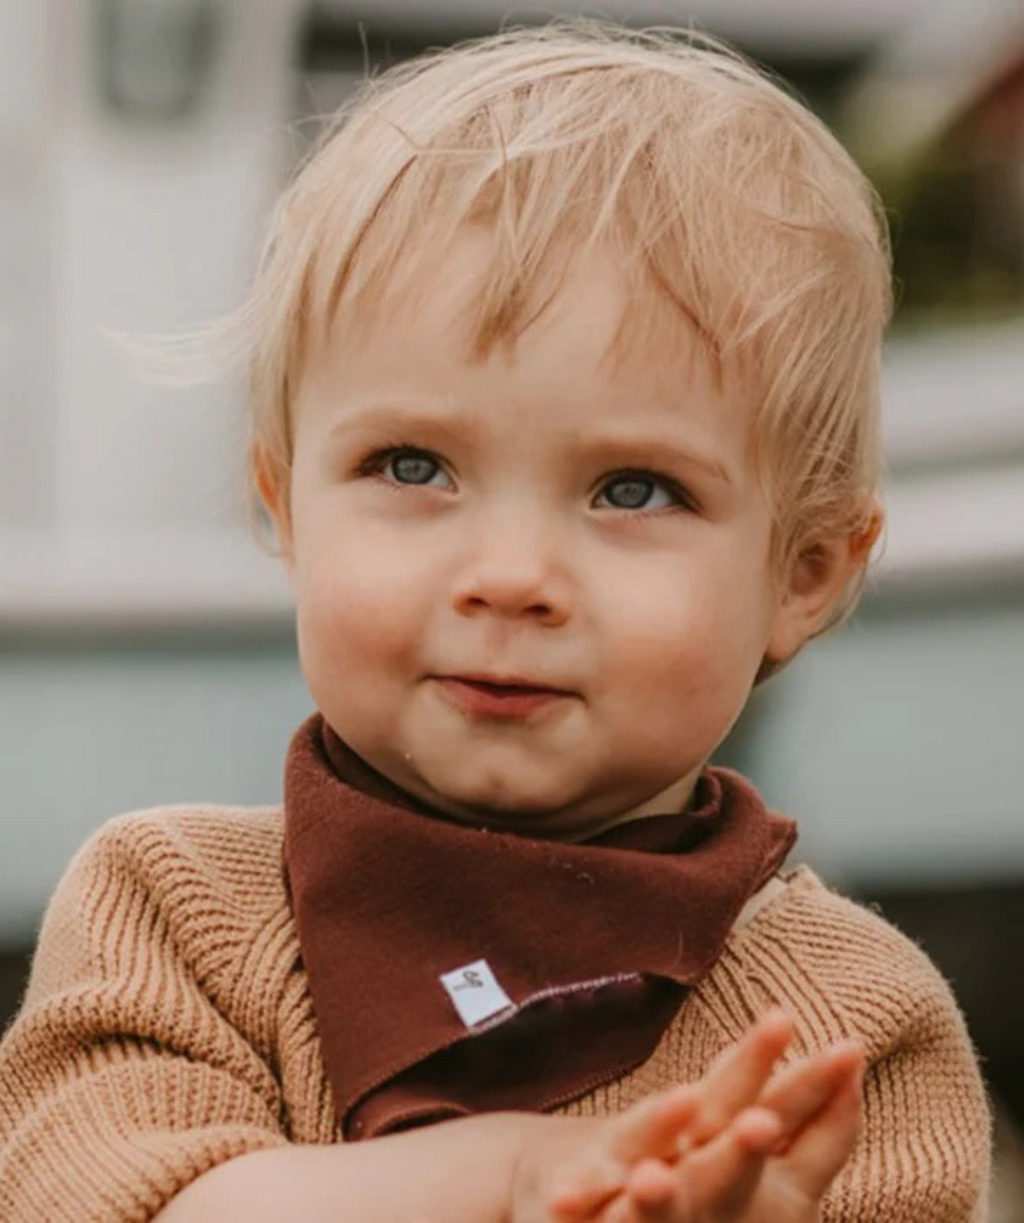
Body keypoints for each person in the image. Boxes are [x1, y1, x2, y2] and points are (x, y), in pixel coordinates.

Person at [0, 20, 991, 1222]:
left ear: (807, 569)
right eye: (412, 465)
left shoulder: (849, 1024)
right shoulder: (170, 908)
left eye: (633, 488)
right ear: (285, 505)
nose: (510, 575)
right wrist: (515, 1178)